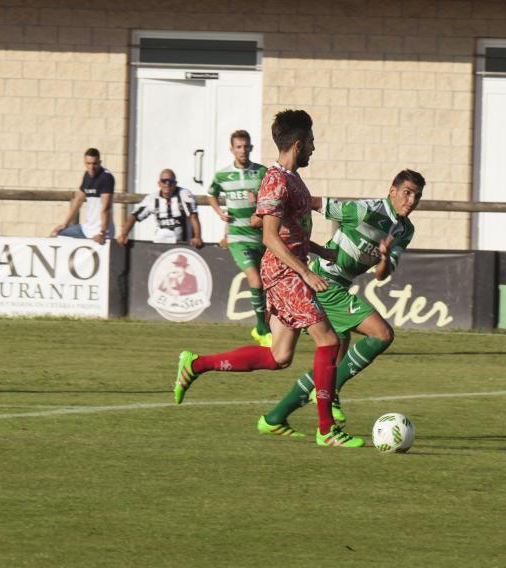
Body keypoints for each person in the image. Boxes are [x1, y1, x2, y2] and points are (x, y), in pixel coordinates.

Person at [174, 109, 364, 448]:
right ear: (298, 143)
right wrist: (305, 271)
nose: (314, 149)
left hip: (290, 268)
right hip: (285, 273)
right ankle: (326, 430)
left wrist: (320, 251)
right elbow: (270, 237)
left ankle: (196, 364)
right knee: (329, 341)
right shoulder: (277, 179)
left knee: (279, 356)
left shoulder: (292, 180)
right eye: (312, 143)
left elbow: (281, 229)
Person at [258, 169, 426, 438]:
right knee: (382, 334)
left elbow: (382, 275)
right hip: (324, 282)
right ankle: (330, 391)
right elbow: (316, 204)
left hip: (340, 285)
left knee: (330, 363)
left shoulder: (405, 230)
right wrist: (273, 210)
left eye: (417, 196)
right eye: (406, 193)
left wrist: (383, 256)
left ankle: (274, 418)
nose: (411, 200)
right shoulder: (366, 210)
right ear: (392, 191)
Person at [208, 130, 272, 346]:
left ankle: (271, 325)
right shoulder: (223, 175)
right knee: (256, 280)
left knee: (270, 285)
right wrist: (219, 213)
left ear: (251, 148)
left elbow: (274, 198)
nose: (243, 150)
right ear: (232, 149)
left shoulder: (262, 173)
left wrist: (259, 199)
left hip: (263, 238)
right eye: (238, 147)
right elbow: (211, 194)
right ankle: (262, 330)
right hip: (238, 238)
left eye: (246, 146)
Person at [117, 169, 202, 247]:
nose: (167, 184)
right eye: (164, 181)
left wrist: (197, 237)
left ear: (175, 183)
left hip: (183, 244)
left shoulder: (184, 194)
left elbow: (193, 216)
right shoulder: (152, 199)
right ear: (159, 183)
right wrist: (124, 234)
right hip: (161, 243)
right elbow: (134, 216)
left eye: (170, 181)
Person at [50, 148, 114, 245]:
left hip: (101, 232)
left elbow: (105, 208)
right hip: (86, 229)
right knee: (56, 235)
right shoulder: (86, 176)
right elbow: (78, 201)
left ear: (100, 162)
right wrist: (65, 224)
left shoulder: (106, 177)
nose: (91, 167)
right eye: (88, 164)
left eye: (94, 164)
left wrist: (102, 233)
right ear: (84, 163)